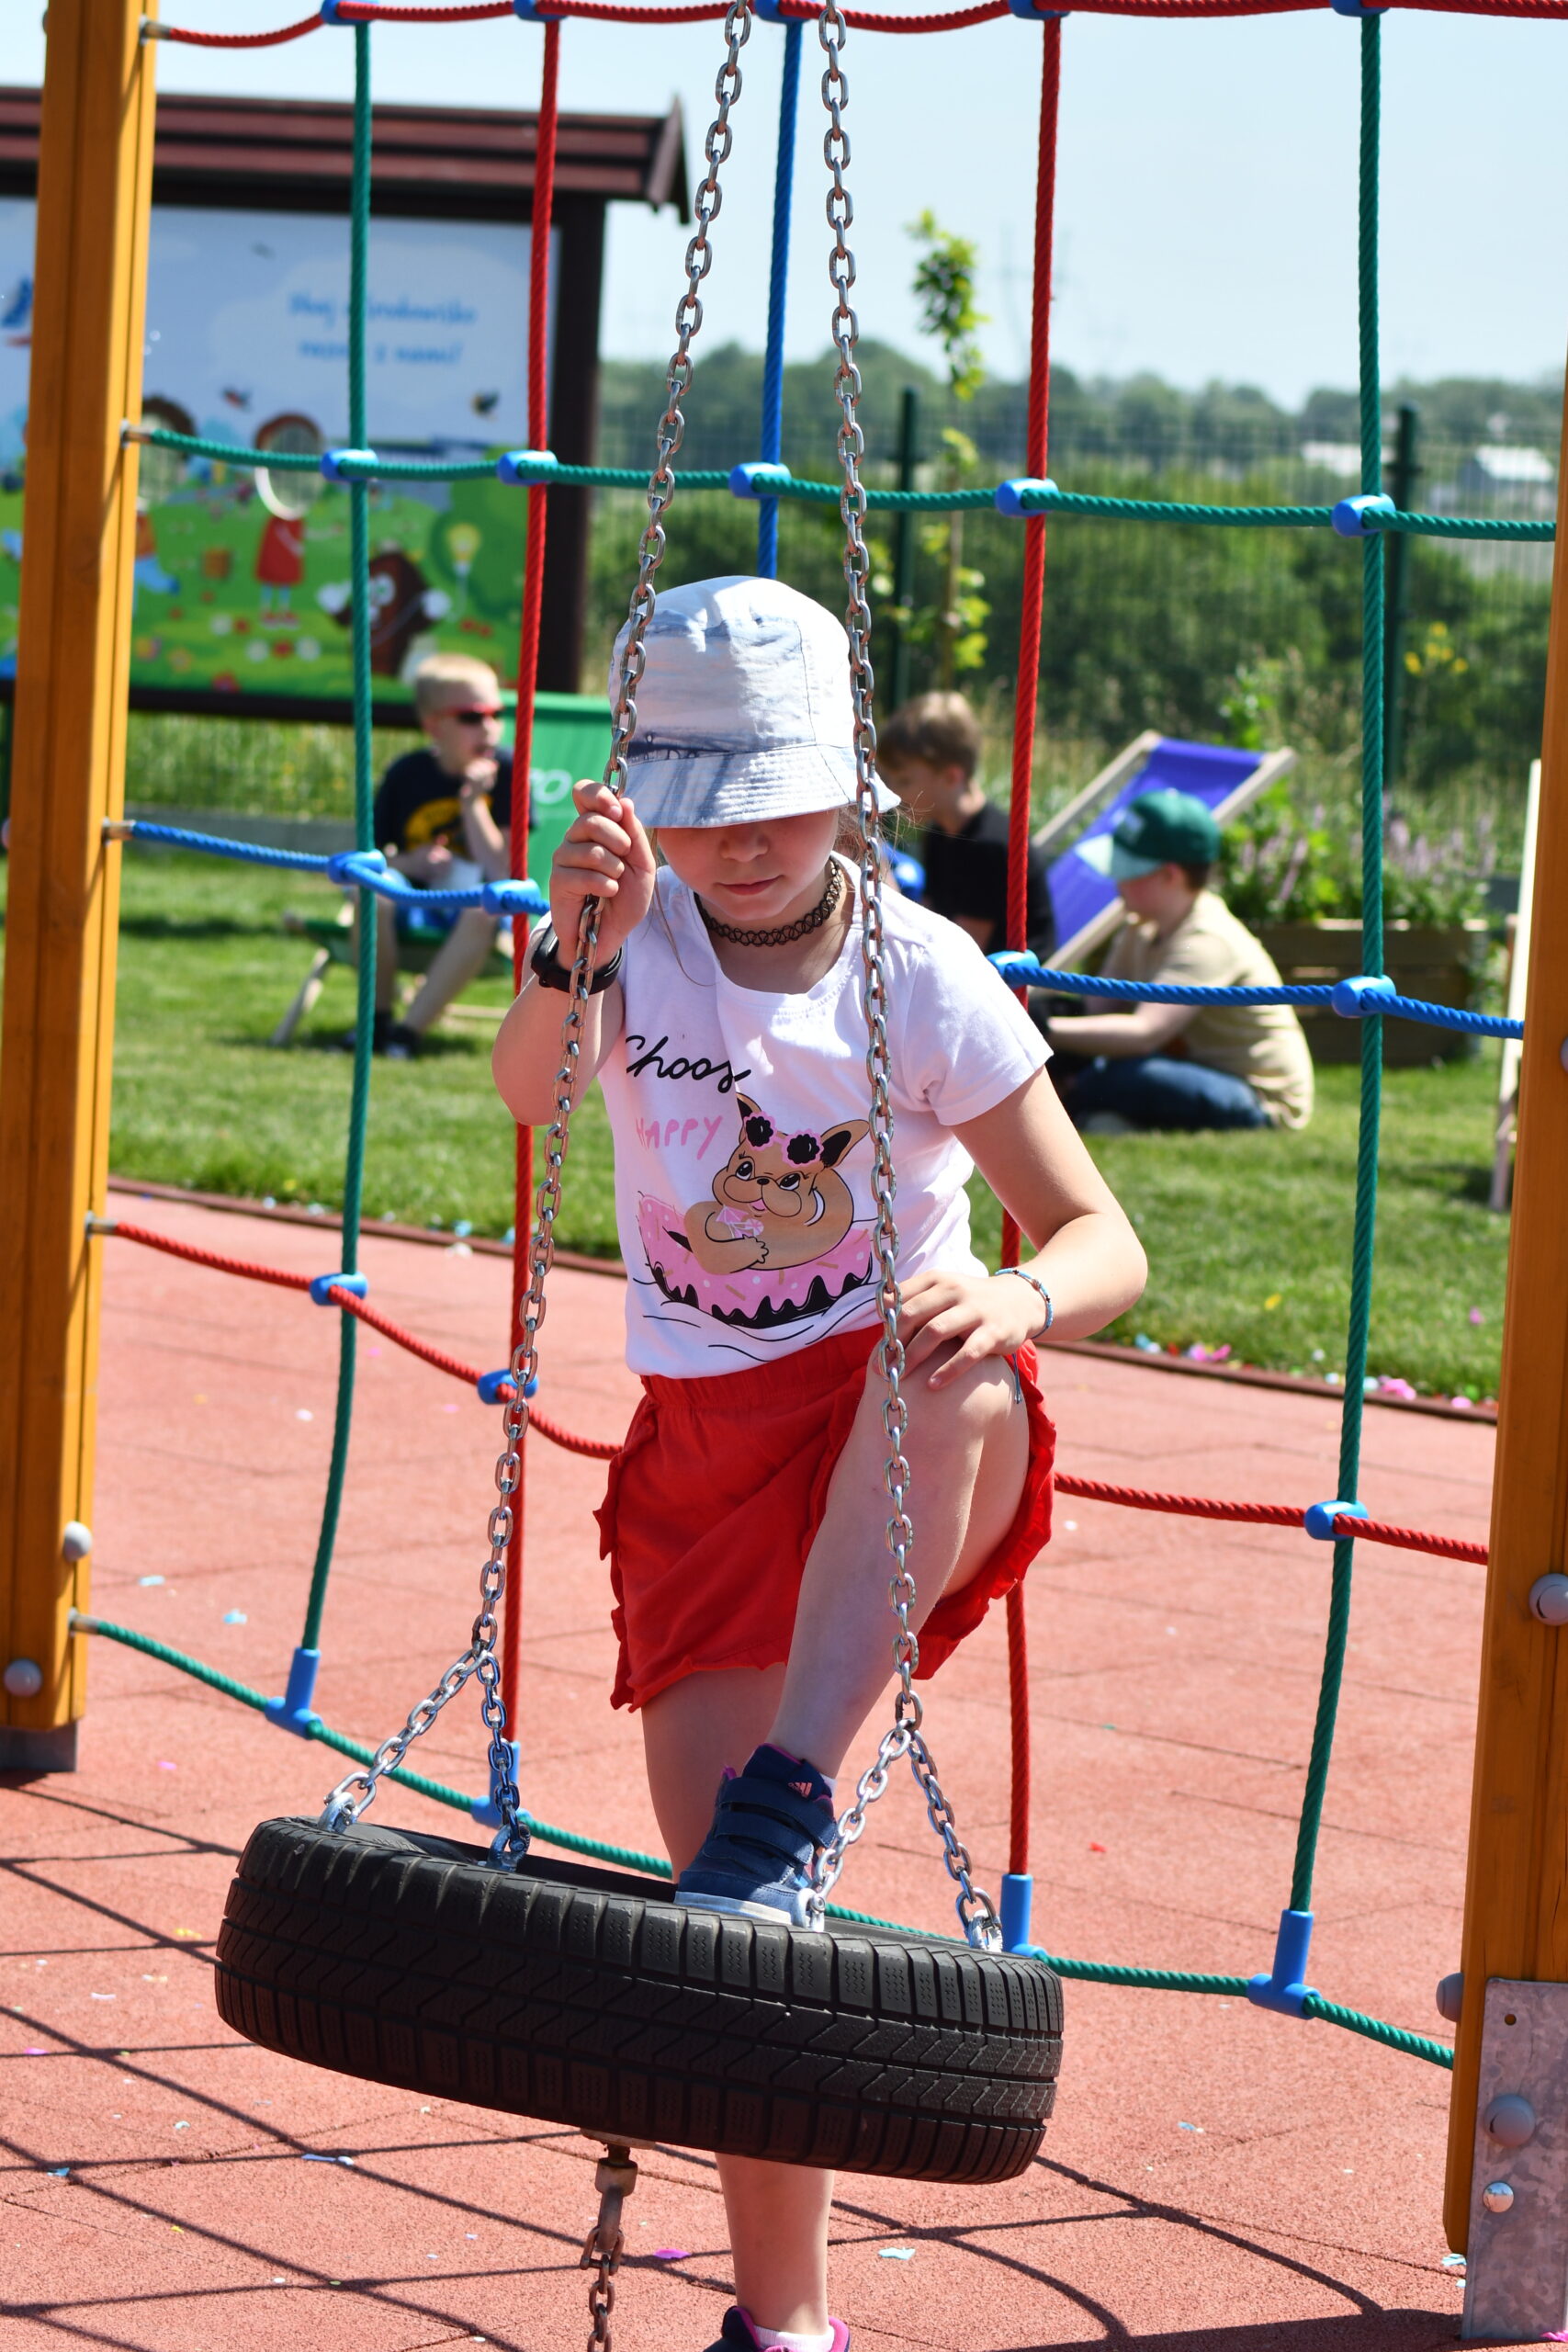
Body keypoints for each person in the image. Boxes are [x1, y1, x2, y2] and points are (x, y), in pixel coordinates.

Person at [492, 575, 1145, 2352]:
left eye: (774, 799)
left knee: (938, 1351)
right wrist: (571, 938)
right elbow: (529, 1098)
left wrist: (1010, 1290)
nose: (744, 841)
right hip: (703, 1452)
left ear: (848, 782)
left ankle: (801, 1783)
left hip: (908, 1432)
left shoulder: (916, 974)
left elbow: (1103, 1241)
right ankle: (782, 2328)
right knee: (733, 1958)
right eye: (700, 808)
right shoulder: (630, 939)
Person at [1043, 786, 1314, 1133]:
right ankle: (1087, 1112)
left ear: (1171, 875)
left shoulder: (1208, 939)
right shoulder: (1138, 927)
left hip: (1255, 1095)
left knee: (1129, 1075)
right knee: (1105, 1070)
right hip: (1188, 1068)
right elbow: (1095, 1008)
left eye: (1127, 871)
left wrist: (1042, 1030)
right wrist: (1048, 1022)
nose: (1116, 882)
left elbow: (1144, 1033)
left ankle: (1074, 1108)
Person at [364, 652, 513, 1057]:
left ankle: (406, 1035)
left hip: (476, 914)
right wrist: (410, 863)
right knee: (370, 892)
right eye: (471, 716)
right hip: (415, 901)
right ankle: (376, 1023)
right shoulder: (406, 774)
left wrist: (472, 804)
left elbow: (502, 869)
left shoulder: (509, 772)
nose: (488, 728)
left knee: (485, 906)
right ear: (433, 726)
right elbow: (375, 858)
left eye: (495, 714)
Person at [874, 689, 1054, 956]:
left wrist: (884, 879)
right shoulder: (939, 835)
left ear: (951, 777)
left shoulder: (990, 845)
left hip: (1015, 990)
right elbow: (930, 919)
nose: (892, 792)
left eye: (904, 781)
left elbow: (960, 955)